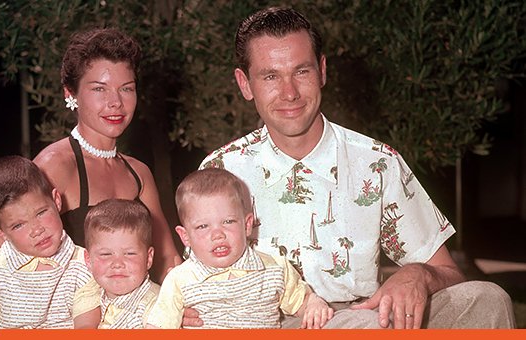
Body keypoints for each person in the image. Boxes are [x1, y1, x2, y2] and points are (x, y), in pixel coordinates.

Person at [197, 7, 515, 329]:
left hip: (361, 317)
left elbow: (448, 271)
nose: (289, 92)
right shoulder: (222, 170)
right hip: (267, 324)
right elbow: (192, 281)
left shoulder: (377, 163)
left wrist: (418, 274)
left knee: (487, 299)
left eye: (301, 71)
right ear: (245, 84)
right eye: (270, 77)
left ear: (322, 71)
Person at [0, 27, 181, 299]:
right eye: (99, 89)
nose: (116, 102)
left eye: (127, 89)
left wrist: (186, 303)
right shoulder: (54, 165)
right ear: (70, 94)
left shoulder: (139, 174)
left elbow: (168, 260)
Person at [146, 168, 334, 329]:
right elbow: (157, 328)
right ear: (185, 236)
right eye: (203, 226)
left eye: (228, 222)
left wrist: (314, 304)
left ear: (247, 225)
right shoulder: (180, 280)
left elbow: (301, 302)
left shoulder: (274, 268)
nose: (217, 234)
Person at [0, 155, 101, 329]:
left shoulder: (84, 265)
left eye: (41, 213)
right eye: (18, 225)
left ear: (57, 201)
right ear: (0, 233)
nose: (36, 230)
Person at [83, 198, 160, 328]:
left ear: (148, 258)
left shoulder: (158, 305)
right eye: (106, 254)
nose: (117, 264)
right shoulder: (88, 296)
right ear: (88, 260)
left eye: (129, 254)